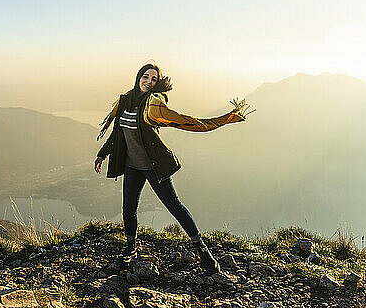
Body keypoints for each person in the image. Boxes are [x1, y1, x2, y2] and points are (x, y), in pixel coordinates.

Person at [94, 62, 250, 273]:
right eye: (146, 77)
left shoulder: (154, 104)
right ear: (138, 77)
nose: (148, 82)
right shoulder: (124, 102)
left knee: (174, 206)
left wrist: (221, 119)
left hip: (153, 166)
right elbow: (118, 133)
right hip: (132, 166)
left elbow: (184, 120)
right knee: (128, 208)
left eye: (154, 80)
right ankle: (131, 247)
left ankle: (202, 249)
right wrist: (102, 154)